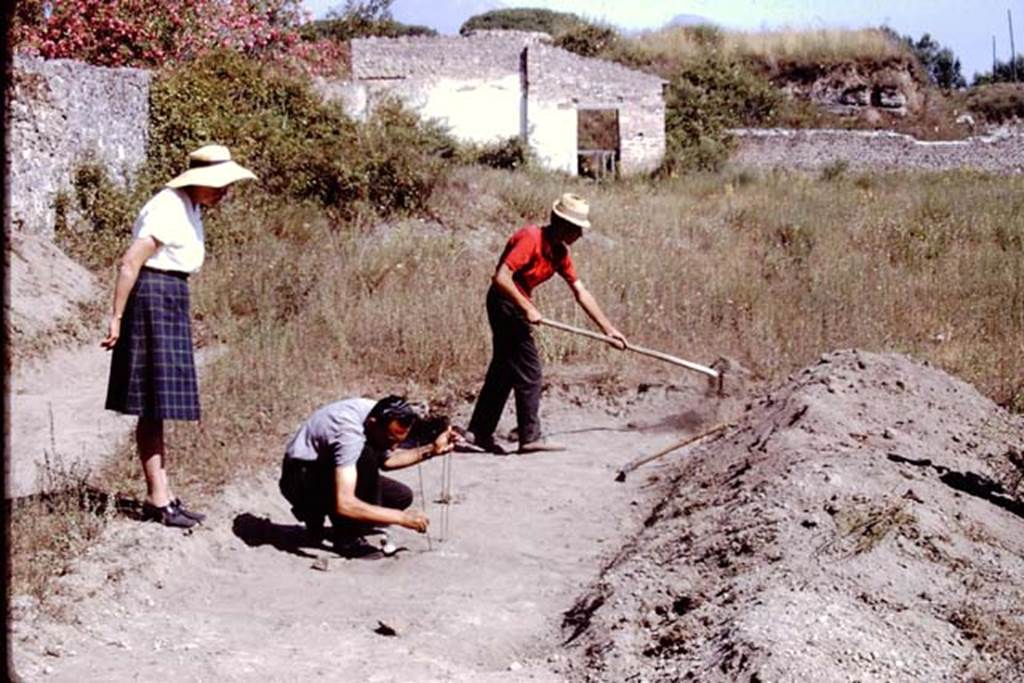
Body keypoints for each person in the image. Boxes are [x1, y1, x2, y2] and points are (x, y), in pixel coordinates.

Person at [103, 144, 257, 528]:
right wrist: (117, 318)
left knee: (159, 403)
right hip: (152, 296)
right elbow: (130, 262)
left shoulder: (191, 207)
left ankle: (164, 495)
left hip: (170, 295)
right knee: (152, 402)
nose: (224, 193)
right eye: (219, 185)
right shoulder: (167, 205)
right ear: (199, 180)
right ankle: (158, 499)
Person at [464, 193, 627, 455]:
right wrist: (527, 307)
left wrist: (608, 329)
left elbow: (580, 291)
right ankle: (529, 437)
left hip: (518, 305)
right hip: (504, 303)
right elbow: (501, 277)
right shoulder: (531, 238)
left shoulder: (560, 252)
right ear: (562, 224)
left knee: (504, 371)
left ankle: (478, 433)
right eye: (577, 229)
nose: (581, 235)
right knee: (530, 371)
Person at [279, 395, 456, 557]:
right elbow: (345, 503)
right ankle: (346, 538)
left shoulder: (379, 414)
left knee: (400, 497)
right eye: (390, 441)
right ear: (372, 424)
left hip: (324, 470)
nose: (393, 447)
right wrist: (401, 518)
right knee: (366, 456)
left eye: (398, 442)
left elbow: (389, 461)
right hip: (300, 479)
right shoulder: (349, 433)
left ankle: (326, 520)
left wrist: (432, 449)